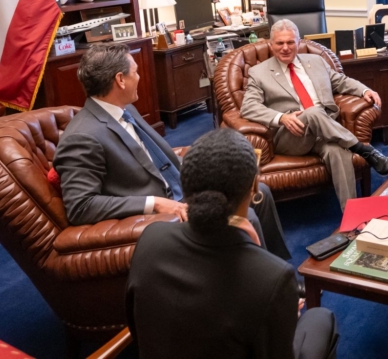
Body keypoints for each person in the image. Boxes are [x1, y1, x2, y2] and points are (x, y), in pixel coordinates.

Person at [54, 43, 291, 260]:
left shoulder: (125, 109)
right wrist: (154, 203)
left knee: (260, 193)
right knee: (245, 217)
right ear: (120, 80)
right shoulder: (82, 136)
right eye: (135, 72)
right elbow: (81, 206)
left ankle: (278, 270)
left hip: (183, 189)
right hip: (165, 211)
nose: (139, 77)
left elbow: (154, 156)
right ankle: (262, 287)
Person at [127, 128, 338, 359]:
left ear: (187, 185)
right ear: (254, 188)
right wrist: (285, 317)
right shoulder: (273, 278)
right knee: (321, 318)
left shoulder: (150, 238)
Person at [240, 19, 388, 209]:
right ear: (271, 45)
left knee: (338, 151)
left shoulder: (316, 61)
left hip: (326, 130)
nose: (285, 48)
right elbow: (248, 106)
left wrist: (365, 91)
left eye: (290, 42)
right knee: (313, 112)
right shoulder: (259, 73)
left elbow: (340, 81)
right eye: (280, 43)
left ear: (299, 42)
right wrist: (281, 118)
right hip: (292, 136)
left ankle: (353, 217)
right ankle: (364, 151)